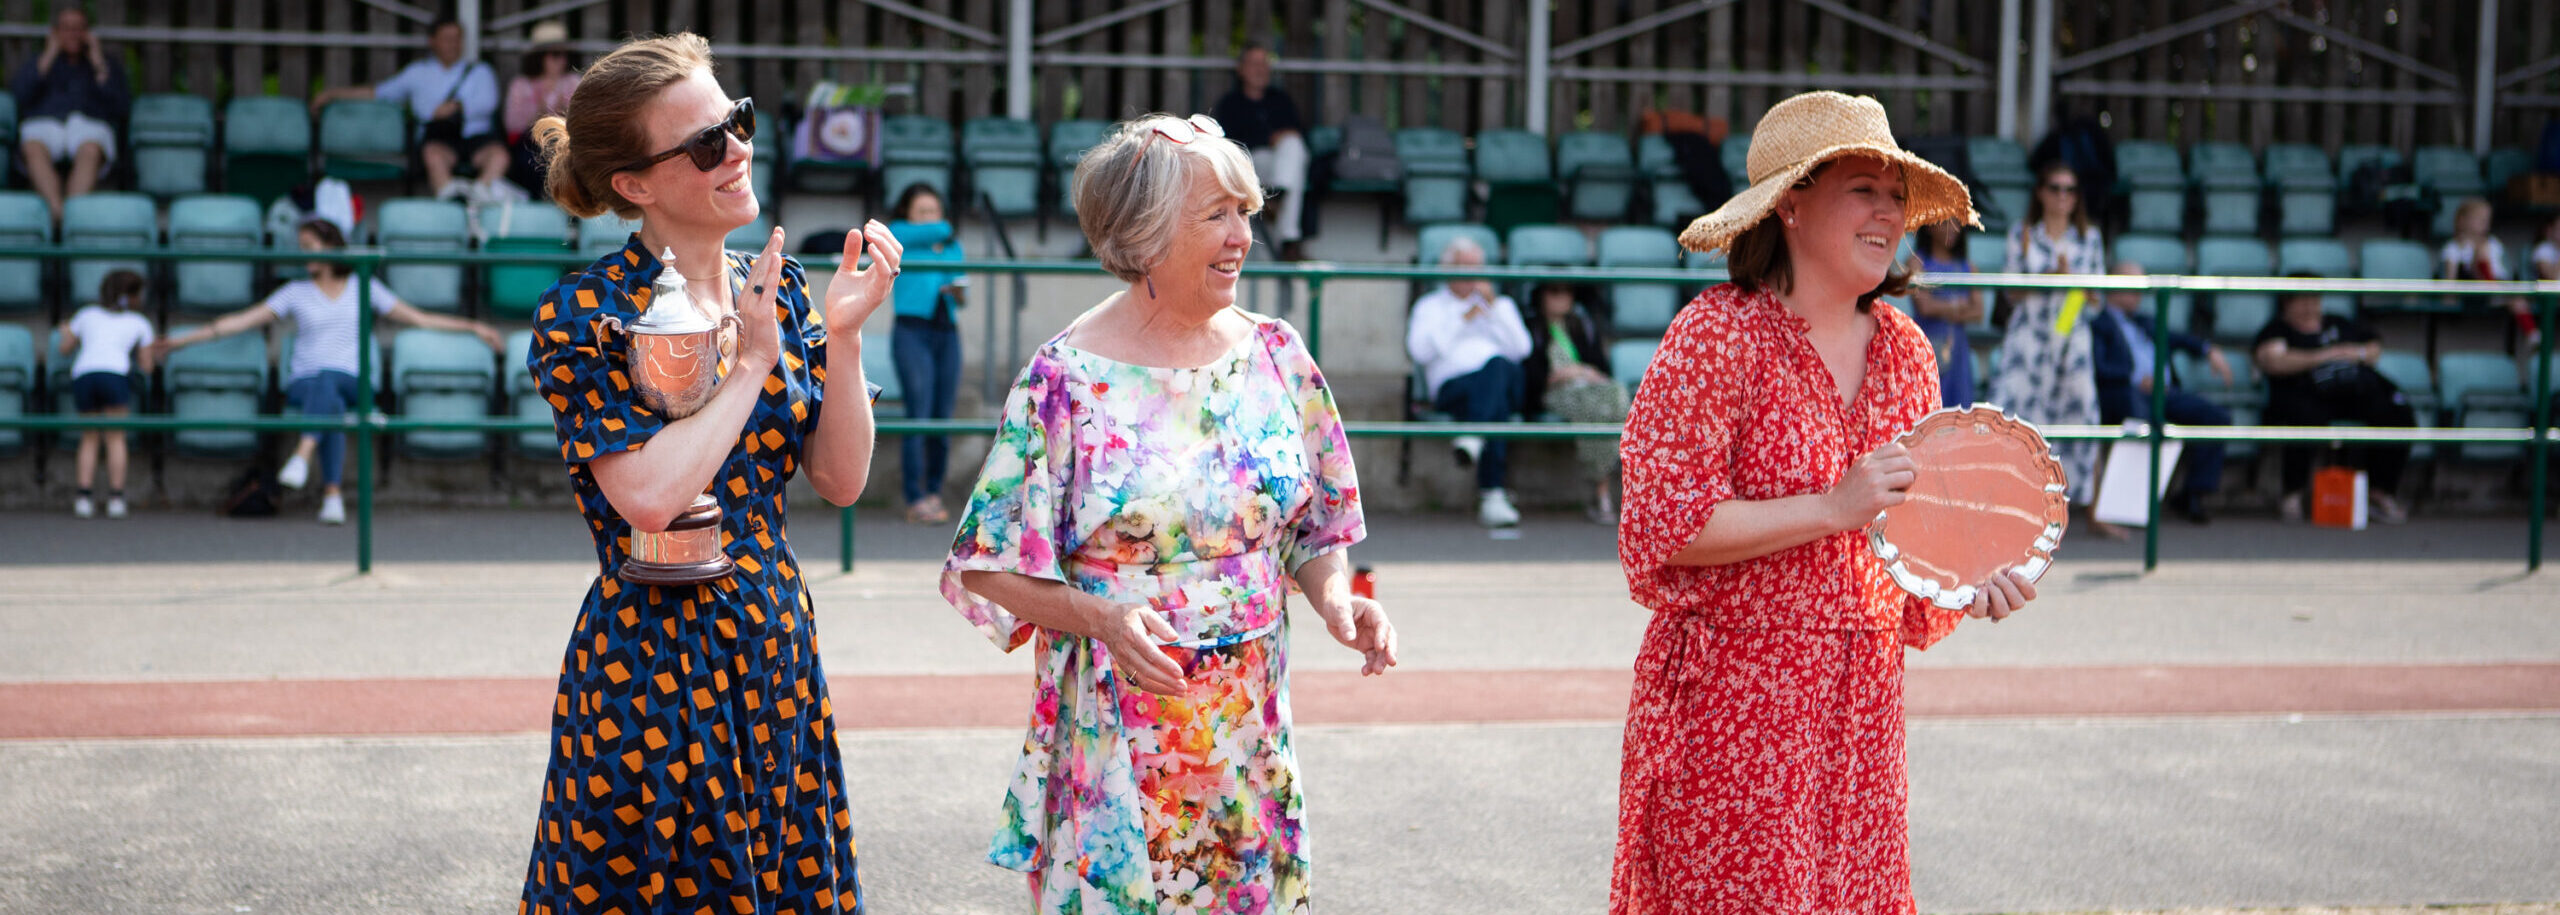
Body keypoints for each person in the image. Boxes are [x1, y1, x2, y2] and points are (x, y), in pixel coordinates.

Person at [941, 112, 1396, 914]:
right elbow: (985, 563)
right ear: (1144, 235)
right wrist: (1103, 617)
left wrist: (1336, 598)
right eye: (1216, 214)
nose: (1242, 236)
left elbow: (1312, 527)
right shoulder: (1064, 378)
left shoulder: (1278, 354)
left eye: (1245, 211)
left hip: (1249, 732)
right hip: (1119, 733)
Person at [1615, 90, 2037, 913]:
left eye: (1896, 195)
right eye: (1862, 189)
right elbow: (1666, 524)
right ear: (1792, 206)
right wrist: (1832, 507)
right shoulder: (1716, 334)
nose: (1888, 212)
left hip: (1862, 710)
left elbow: (1915, 542)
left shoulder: (1908, 352)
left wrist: (1972, 577)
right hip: (1734, 708)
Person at [511, 33, 899, 913]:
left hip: (774, 645)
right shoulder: (587, 310)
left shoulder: (780, 288)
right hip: (650, 666)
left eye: (738, 122)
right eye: (704, 143)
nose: (736, 151)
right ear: (634, 186)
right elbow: (649, 496)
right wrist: (752, 362)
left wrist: (844, 337)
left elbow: (840, 479)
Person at [149, 218, 501, 525]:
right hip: (305, 384)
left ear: (331, 247)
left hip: (353, 382)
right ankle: (331, 495)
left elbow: (419, 318)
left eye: (309, 246)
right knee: (327, 394)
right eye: (300, 248)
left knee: (330, 381)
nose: (304, 255)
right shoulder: (295, 292)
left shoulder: (364, 286)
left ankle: (303, 456)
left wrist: (474, 327)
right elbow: (240, 321)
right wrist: (181, 341)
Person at [1991, 160, 2116, 538]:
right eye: (2056, 188)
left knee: (2085, 413)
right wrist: (2049, 277)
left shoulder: (2089, 238)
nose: (2063, 196)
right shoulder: (2022, 234)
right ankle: (2006, 505)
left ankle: (2091, 507)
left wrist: (2073, 280)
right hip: (2029, 336)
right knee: (2013, 416)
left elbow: (2098, 300)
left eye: (2070, 189)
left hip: (2071, 334)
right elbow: (2010, 293)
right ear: (2041, 193)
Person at [2253, 280, 2417, 525]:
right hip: (2307, 391)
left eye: (2315, 300)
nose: (2310, 307)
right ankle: (2293, 493)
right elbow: (2274, 361)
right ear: (2286, 304)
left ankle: (2379, 493)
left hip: (2353, 390)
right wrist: (2324, 356)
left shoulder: (2338, 323)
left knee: (2397, 413)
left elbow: (2373, 347)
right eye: (2303, 301)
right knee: (2303, 415)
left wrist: (2357, 354)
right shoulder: (2278, 329)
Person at [2089, 261, 2234, 524]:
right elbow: (2099, 367)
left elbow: (2180, 339)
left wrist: (2208, 349)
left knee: (2216, 417)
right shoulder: (2098, 324)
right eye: (2132, 285)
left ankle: (2191, 495)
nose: (2138, 293)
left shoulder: (2146, 322)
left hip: (2165, 393)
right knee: (2145, 422)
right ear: (2112, 286)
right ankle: (2129, 505)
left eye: (2141, 285)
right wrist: (2135, 380)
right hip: (2127, 394)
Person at [312, 16, 512, 202]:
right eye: (447, 39)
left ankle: (479, 197)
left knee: (499, 155)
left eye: (457, 39)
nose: (453, 44)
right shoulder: (417, 73)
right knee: (433, 156)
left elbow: (489, 103)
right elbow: (379, 92)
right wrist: (332, 94)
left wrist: (456, 107)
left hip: (478, 137)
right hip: (438, 138)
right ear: (432, 41)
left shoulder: (480, 71)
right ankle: (449, 201)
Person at [1407, 236, 1532, 527]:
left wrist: (1494, 310)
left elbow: (1522, 350)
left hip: (1503, 381)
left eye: (1476, 267)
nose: (1471, 275)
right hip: (1455, 388)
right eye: (1464, 266)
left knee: (1498, 367)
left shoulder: (1502, 305)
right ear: (1447, 269)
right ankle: (1492, 494)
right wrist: (1464, 318)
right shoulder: (1429, 306)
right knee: (1496, 401)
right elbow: (1419, 352)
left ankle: (1473, 436)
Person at [887, 182, 966, 524]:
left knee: (942, 417)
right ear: (907, 214)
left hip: (946, 331)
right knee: (918, 412)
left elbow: (962, 290)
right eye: (921, 212)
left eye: (934, 211)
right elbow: (939, 229)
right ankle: (914, 496)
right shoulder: (898, 237)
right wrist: (940, 227)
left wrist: (956, 291)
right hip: (911, 331)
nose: (930, 218)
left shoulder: (951, 246)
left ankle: (934, 492)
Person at [1521, 281, 1630, 523]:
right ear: (1541, 296)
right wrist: (1561, 375)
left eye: (1567, 292)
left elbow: (1602, 369)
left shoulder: (1581, 325)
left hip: (1589, 388)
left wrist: (1583, 372)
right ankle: (1602, 487)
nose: (1561, 298)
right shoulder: (1532, 327)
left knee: (1617, 393)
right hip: (1555, 393)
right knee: (1594, 408)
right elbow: (1531, 377)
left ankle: (1613, 466)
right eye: (1554, 291)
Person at [11, 6, 131, 222]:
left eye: (78, 29)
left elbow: (120, 106)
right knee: (32, 147)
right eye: (66, 28)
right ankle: (60, 216)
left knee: (91, 149)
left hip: (89, 124)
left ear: (87, 33)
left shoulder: (105, 64)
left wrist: (98, 62)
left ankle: (71, 219)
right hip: (46, 123)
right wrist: (49, 54)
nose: (72, 34)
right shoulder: (40, 61)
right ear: (55, 32)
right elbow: (20, 96)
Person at [56, 269, 154, 519]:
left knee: (89, 437)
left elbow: (65, 349)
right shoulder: (140, 322)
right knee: (115, 437)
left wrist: (66, 332)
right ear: (133, 296)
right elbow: (147, 366)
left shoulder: (86, 314)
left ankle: (83, 498)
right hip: (114, 376)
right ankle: (116, 499)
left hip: (84, 376)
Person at [1209, 42, 1310, 259]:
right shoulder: (1231, 104)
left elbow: (1299, 134)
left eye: (1264, 63)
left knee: (1294, 148)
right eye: (1254, 63)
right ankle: (1289, 238)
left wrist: (1284, 138)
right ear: (1241, 69)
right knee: (1291, 172)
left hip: (1281, 167)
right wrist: (1269, 138)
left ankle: (1278, 196)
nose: (1260, 69)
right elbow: (1228, 144)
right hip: (1249, 166)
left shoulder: (1280, 100)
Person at [2440, 196, 2540, 348]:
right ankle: (2494, 291)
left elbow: (2503, 273)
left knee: (2518, 300)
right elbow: (2450, 278)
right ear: (2462, 220)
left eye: (2487, 219)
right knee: (2481, 252)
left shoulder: (2494, 244)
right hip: (2473, 292)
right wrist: (2449, 297)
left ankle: (2532, 334)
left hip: (2498, 287)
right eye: (2479, 219)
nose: (2485, 223)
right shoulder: (2453, 247)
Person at [1905, 218, 1982, 405]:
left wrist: (1940, 307)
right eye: (1945, 222)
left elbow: (1978, 312)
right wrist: (1959, 305)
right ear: (1929, 225)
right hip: (1927, 347)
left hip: (1958, 353)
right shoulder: (1916, 263)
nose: (1952, 228)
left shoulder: (1968, 266)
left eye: (1957, 222)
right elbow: (1925, 307)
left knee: (1959, 410)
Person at [501, 20, 580, 198]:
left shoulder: (572, 82)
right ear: (540, 57)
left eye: (564, 54)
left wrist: (562, 112)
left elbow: (583, 119)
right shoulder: (521, 85)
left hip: (564, 142)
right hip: (529, 145)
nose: (562, 60)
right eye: (555, 54)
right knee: (529, 160)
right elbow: (512, 124)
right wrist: (540, 112)